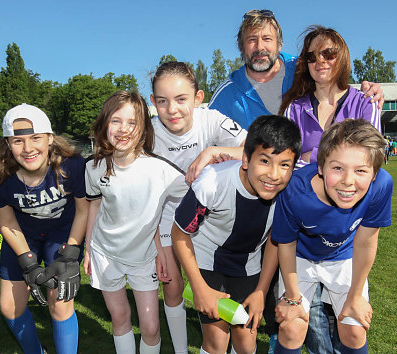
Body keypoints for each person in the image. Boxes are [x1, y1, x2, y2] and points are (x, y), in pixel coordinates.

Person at [172, 115, 302, 354]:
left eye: (284, 165)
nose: (274, 174)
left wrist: (261, 291)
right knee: (217, 341)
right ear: (245, 159)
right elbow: (179, 234)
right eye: (264, 161)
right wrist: (198, 286)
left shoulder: (289, 190)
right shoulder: (212, 183)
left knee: (246, 340)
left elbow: (275, 240)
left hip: (248, 265)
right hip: (207, 260)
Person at [149, 61, 247, 354]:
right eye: (163, 101)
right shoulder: (148, 133)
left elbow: (256, 149)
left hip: (209, 219)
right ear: (153, 102)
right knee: (173, 284)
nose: (173, 109)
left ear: (198, 98)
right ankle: (181, 350)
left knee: (220, 283)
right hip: (166, 216)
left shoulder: (212, 120)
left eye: (181, 99)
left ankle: (226, 339)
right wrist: (159, 245)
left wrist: (214, 151)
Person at [271, 119, 393, 354]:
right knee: (291, 327)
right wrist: (294, 299)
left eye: (361, 170)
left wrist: (356, 295)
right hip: (301, 258)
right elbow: (285, 244)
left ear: (375, 174)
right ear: (320, 167)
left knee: (354, 328)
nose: (348, 180)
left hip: (343, 256)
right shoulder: (295, 190)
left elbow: (366, 241)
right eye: (337, 168)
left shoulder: (381, 186)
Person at [0, 103, 88, 354]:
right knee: (10, 307)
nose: (28, 148)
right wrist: (28, 262)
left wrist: (71, 254)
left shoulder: (71, 165)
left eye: (35, 138)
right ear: (7, 143)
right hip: (22, 233)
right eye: (18, 141)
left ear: (50, 138)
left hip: (62, 231)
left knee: (59, 301)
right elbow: (7, 222)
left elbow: (83, 210)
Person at [83, 91, 188, 354]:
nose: (123, 129)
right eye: (116, 121)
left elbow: (197, 195)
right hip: (106, 254)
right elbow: (95, 206)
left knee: (151, 327)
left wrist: (162, 248)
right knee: (119, 319)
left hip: (143, 258)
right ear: (105, 124)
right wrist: (88, 248)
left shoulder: (161, 170)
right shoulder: (94, 168)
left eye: (132, 122)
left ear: (143, 129)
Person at [208, 9, 384, 130]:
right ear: (241, 46)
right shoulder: (227, 93)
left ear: (279, 44)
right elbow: (204, 131)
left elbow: (334, 85)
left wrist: (368, 92)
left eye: (267, 38)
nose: (260, 47)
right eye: (252, 40)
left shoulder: (304, 66)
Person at [279, 25, 382, 170]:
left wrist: (311, 156)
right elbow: (284, 163)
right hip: (305, 192)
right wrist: (343, 158)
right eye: (311, 57)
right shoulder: (293, 109)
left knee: (384, 180)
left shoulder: (366, 102)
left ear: (342, 57)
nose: (320, 61)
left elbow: (372, 156)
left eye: (328, 54)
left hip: (352, 190)